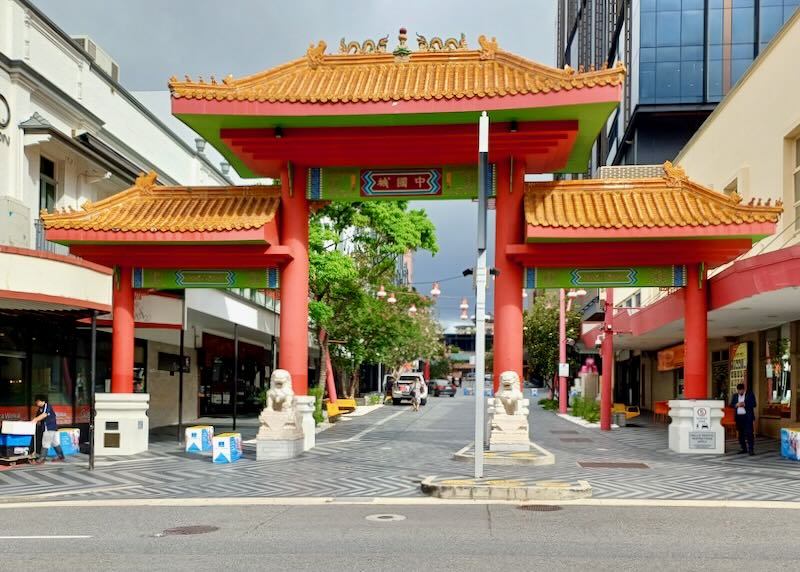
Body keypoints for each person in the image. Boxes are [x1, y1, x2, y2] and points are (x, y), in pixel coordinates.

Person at [31, 394, 65, 463]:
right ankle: (61, 456)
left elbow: (44, 415)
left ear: (41, 401)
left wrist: (35, 420)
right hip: (50, 428)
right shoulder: (40, 409)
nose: (36, 403)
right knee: (55, 443)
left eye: (37, 401)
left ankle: (42, 459)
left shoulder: (47, 406)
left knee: (45, 443)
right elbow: (38, 418)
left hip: (49, 427)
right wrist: (35, 421)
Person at [729, 383, 756, 455]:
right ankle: (743, 448)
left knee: (749, 433)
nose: (740, 392)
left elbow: (754, 404)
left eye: (741, 391)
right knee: (740, 434)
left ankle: (751, 449)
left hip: (747, 417)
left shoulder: (749, 395)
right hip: (738, 417)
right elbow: (731, 405)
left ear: (744, 390)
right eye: (738, 391)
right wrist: (736, 405)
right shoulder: (735, 396)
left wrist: (745, 404)